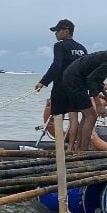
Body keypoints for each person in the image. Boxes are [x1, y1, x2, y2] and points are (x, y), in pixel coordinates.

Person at [35, 19, 88, 151]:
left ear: (66, 30)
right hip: (77, 87)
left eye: (57, 31)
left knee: (58, 116)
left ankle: (59, 148)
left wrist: (44, 81)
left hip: (62, 86)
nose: (55, 34)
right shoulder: (82, 49)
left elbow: (56, 65)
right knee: (74, 117)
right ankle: (71, 148)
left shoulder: (59, 46)